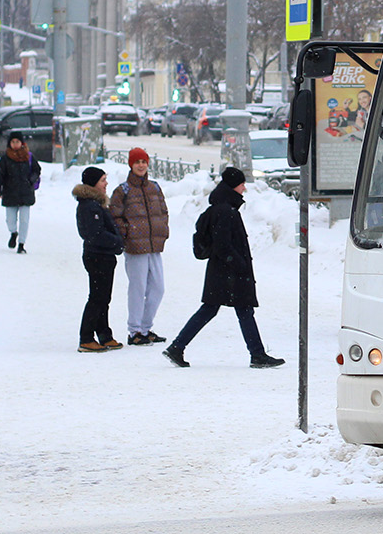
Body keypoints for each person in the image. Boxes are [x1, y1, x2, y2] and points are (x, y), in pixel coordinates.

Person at [164, 168, 284, 369]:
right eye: (241, 184)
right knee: (239, 310)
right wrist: (239, 264)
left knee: (219, 309)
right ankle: (257, 354)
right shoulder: (225, 211)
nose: (244, 188)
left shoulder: (223, 207)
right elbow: (223, 244)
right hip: (228, 272)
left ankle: (178, 347)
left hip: (222, 270)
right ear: (233, 186)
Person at [110, 147, 171, 346]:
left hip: (154, 245)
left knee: (158, 288)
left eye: (144, 161)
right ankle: (134, 330)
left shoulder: (154, 187)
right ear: (131, 164)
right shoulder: (122, 191)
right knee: (138, 287)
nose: (141, 165)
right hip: (135, 247)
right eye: (137, 162)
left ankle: (146, 328)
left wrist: (163, 229)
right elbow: (115, 216)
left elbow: (163, 211)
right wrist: (127, 232)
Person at [73, 166, 125, 353]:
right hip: (97, 257)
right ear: (94, 183)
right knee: (97, 298)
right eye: (103, 180)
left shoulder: (96, 203)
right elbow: (95, 234)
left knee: (104, 298)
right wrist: (117, 242)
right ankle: (86, 338)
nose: (106, 184)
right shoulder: (89, 206)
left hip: (104, 256)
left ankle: (104, 334)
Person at [0, 133, 41, 254]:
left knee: (24, 220)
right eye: (13, 142)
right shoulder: (5, 159)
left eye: (17, 142)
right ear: (9, 143)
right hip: (10, 193)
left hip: (26, 193)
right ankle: (13, 233)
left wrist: (31, 179)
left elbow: (37, 170)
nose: (15, 144)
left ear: (22, 143)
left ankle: (21, 244)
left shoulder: (28, 157)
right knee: (10, 220)